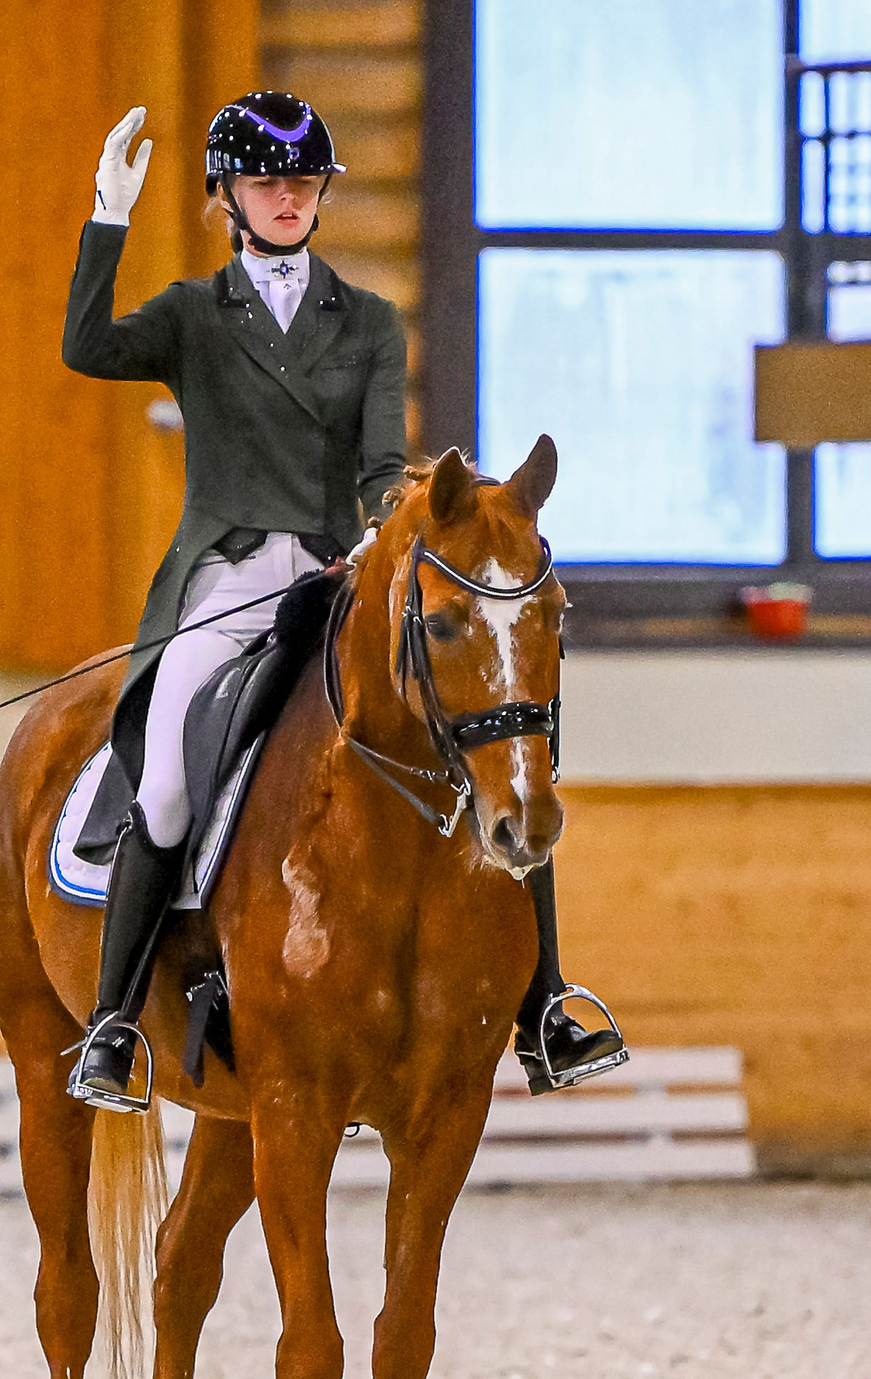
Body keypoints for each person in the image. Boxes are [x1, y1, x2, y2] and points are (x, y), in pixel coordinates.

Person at [59, 91, 626, 1110]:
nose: (286, 198)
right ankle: (112, 1027)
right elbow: (86, 348)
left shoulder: (365, 321)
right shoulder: (193, 316)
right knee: (166, 781)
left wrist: (382, 527)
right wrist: (108, 216)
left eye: (302, 181)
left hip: (333, 572)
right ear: (227, 197)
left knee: (492, 741)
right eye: (266, 182)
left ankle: (543, 1003)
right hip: (226, 578)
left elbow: (376, 463)